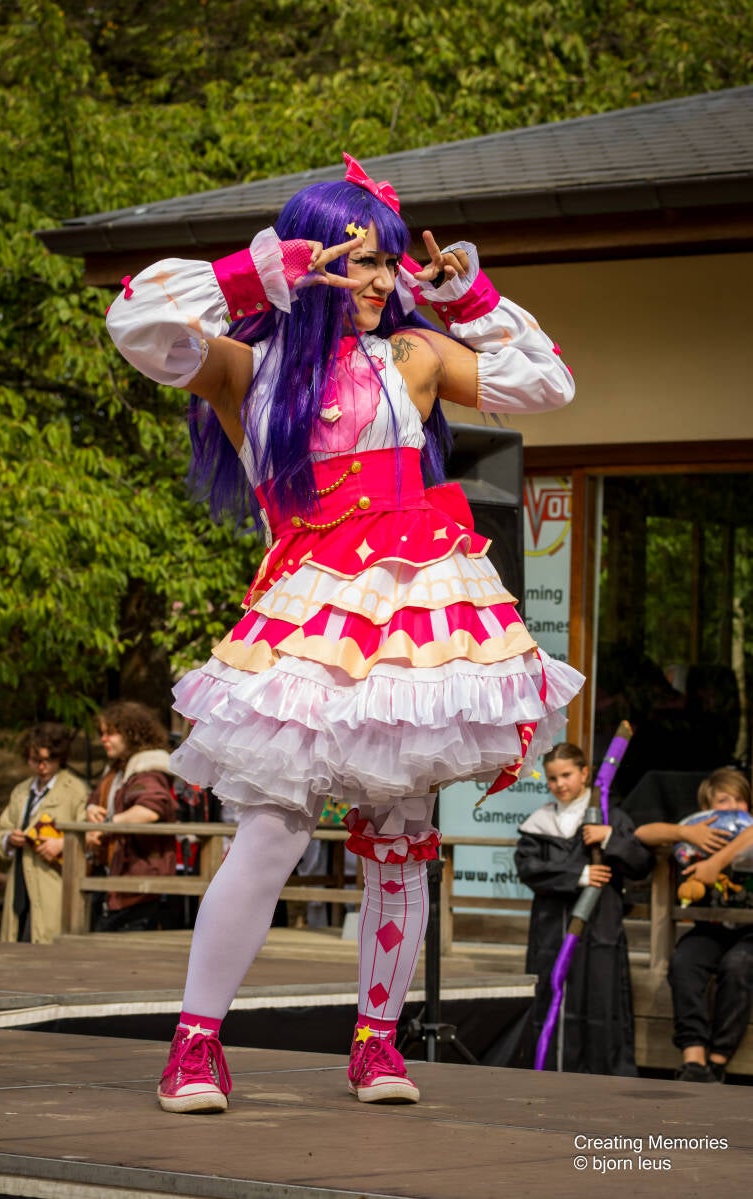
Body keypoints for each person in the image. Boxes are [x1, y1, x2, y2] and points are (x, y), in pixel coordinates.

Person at [106, 152, 584, 1113]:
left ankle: (376, 1043)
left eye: (387, 261)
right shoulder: (246, 365)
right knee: (272, 830)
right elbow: (136, 323)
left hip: (414, 612)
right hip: (308, 618)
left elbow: (548, 385)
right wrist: (259, 272)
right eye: (360, 259)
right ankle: (195, 1045)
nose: (378, 279)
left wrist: (467, 296)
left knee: (402, 833)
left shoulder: (414, 355)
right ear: (311, 257)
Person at [514, 741, 654, 1075]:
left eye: (567, 775)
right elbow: (528, 868)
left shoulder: (610, 817)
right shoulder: (540, 824)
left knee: (601, 1000)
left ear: (585, 773)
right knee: (553, 997)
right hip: (552, 929)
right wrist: (580, 875)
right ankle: (551, 1072)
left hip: (600, 927)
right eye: (552, 778)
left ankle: (603, 1078)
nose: (560, 784)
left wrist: (610, 838)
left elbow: (641, 863)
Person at [656, 768, 753, 1082]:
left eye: (740, 800)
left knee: (738, 967)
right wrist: (686, 833)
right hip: (711, 928)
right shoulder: (700, 833)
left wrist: (715, 863)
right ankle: (694, 1058)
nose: (734, 807)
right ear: (707, 809)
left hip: (749, 934)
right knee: (684, 962)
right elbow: (644, 834)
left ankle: (717, 1060)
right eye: (724, 801)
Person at [86, 701, 178, 932]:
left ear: (131, 733)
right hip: (116, 876)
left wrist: (107, 826)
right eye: (102, 733)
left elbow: (150, 810)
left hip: (139, 877)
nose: (104, 739)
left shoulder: (147, 769)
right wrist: (91, 809)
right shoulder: (116, 769)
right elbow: (95, 800)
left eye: (111, 733)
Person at [0, 724, 88, 943]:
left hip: (53, 884)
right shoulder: (21, 791)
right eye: (35, 760)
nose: (41, 766)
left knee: (46, 944)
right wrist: (10, 839)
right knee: (14, 943)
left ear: (60, 757)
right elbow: (1, 833)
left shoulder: (76, 791)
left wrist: (62, 844)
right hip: (19, 883)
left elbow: (90, 837)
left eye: (48, 760)